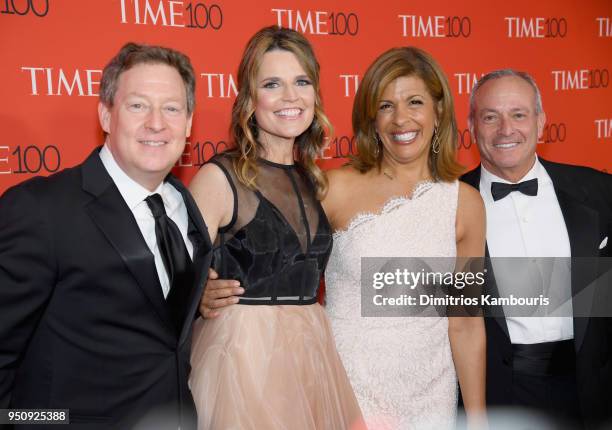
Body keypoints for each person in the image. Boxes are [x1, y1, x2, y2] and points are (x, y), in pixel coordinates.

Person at [0, 43, 212, 429]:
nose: (156, 123)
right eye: (137, 105)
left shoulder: (183, 203)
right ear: (105, 115)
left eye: (171, 108)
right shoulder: (42, 209)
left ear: (188, 122)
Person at [188, 26, 363, 430]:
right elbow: (168, 276)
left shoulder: (314, 179)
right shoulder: (220, 177)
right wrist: (197, 295)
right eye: (272, 84)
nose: (290, 97)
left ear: (316, 94)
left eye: (301, 81)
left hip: (312, 353)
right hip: (243, 356)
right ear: (251, 100)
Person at [320, 47, 486, 429]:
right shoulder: (334, 189)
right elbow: (286, 283)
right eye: (385, 106)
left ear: (438, 111)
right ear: (371, 119)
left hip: (432, 397)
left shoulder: (466, 204)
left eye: (414, 102)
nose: (401, 119)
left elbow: (465, 322)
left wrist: (477, 419)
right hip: (348, 391)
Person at [461, 69, 612, 429]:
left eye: (518, 114)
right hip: (500, 395)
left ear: (541, 122)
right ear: (471, 126)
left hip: (593, 392)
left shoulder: (600, 191)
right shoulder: (447, 205)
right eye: (490, 117)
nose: (506, 130)